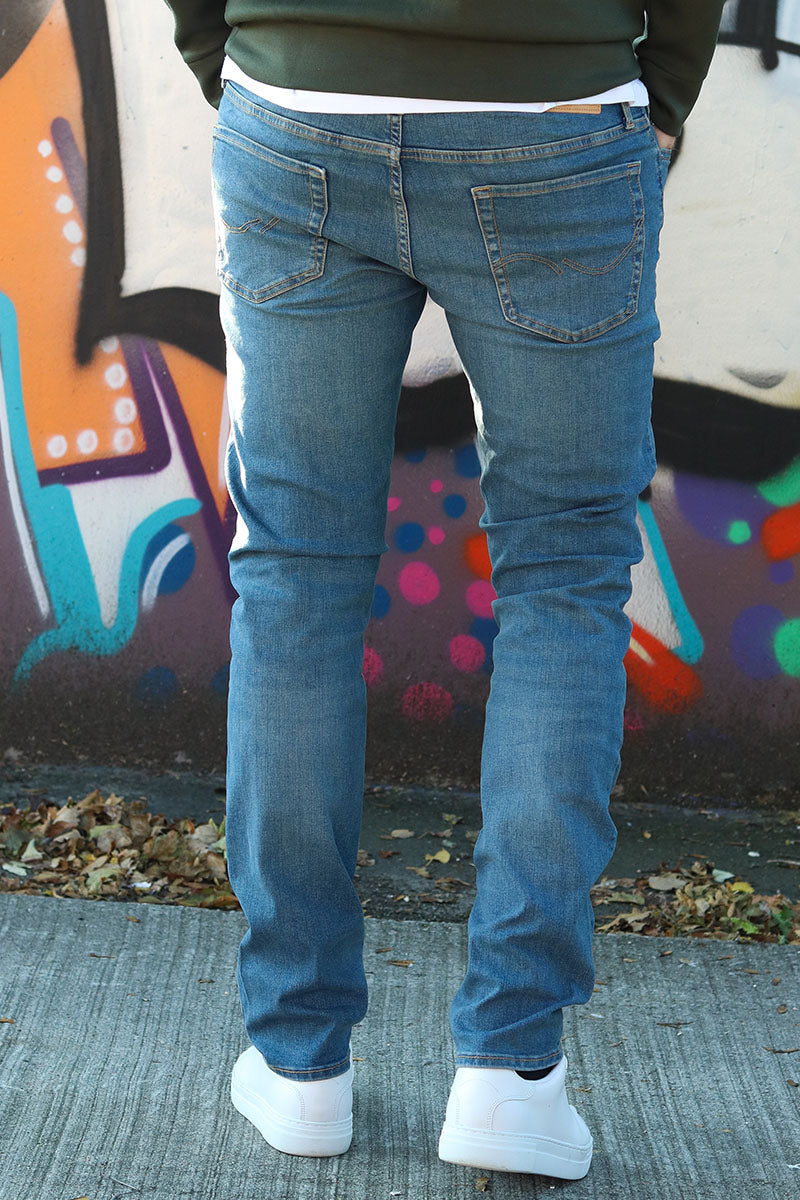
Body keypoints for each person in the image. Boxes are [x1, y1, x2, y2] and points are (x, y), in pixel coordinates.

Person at [163, 0, 726, 1180]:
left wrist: (234, 53)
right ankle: (512, 1073)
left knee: (296, 578)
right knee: (564, 579)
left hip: (300, 102)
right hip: (555, 112)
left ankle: (299, 1061)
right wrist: (659, 91)